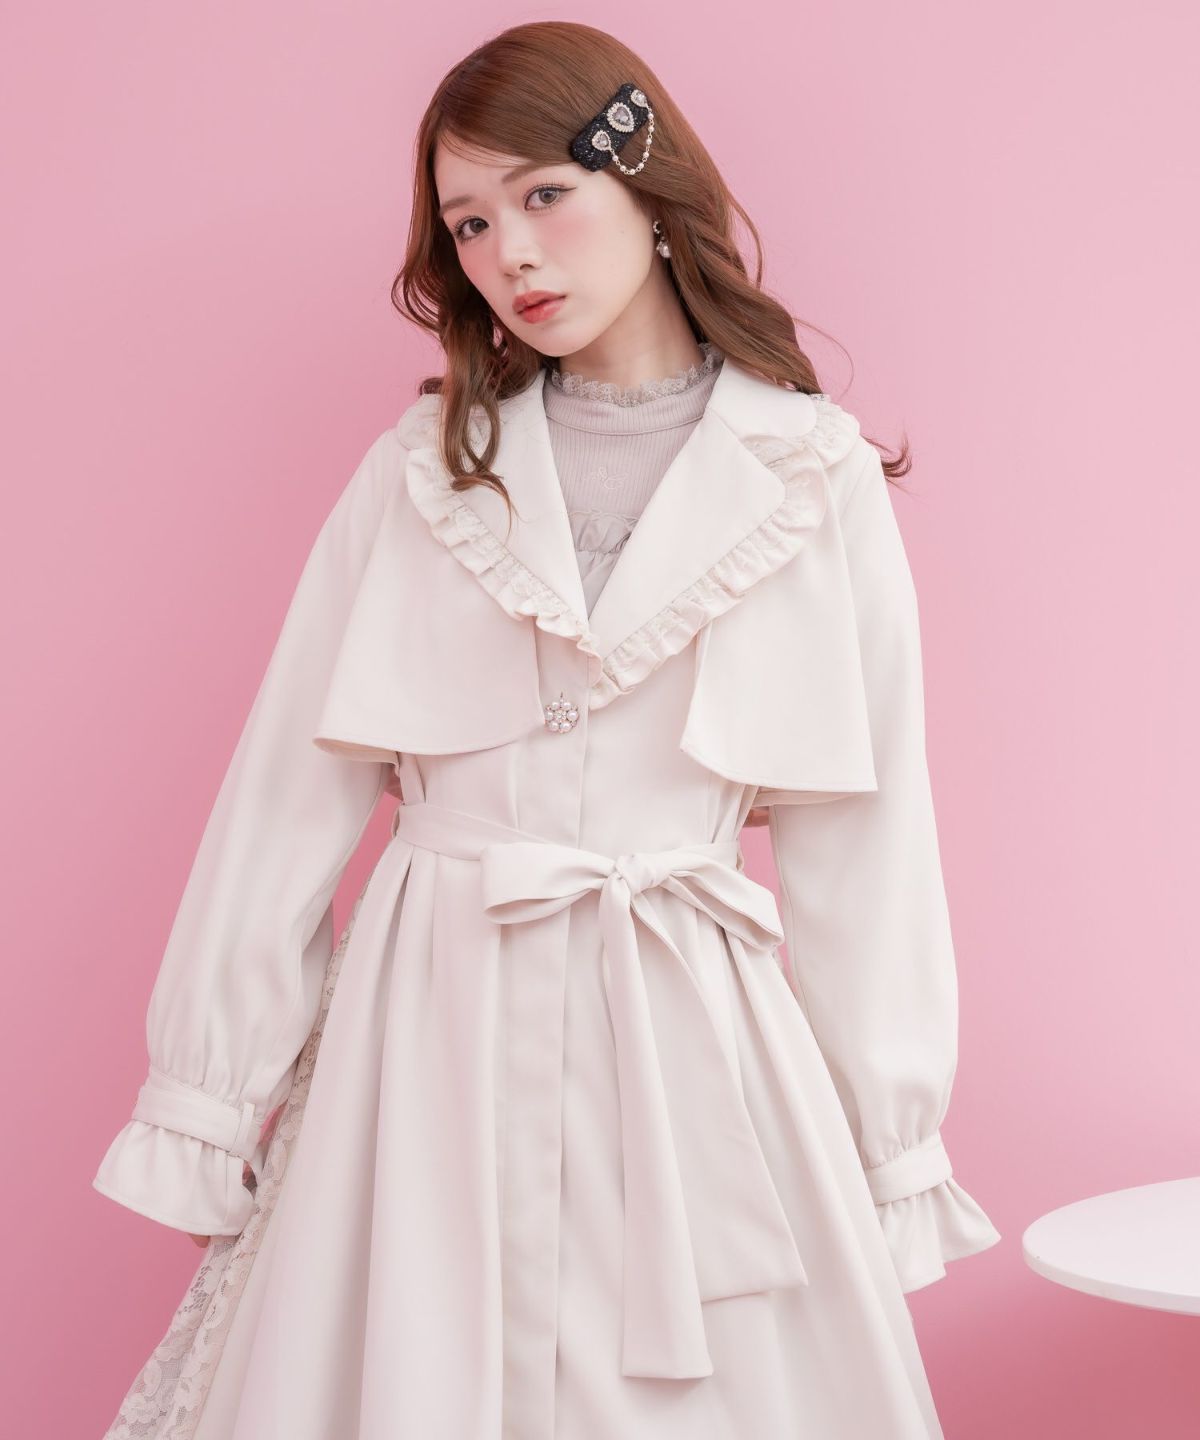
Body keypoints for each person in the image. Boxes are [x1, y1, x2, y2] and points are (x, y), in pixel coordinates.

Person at [93, 20, 1001, 1440]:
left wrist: (891, 1144)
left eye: (543, 195)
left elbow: (867, 844)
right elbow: (287, 789)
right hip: (427, 1024)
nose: (509, 252)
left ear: (647, 186)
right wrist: (209, 1097)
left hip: (692, 1037)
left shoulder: (809, 477)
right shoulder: (422, 470)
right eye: (468, 222)